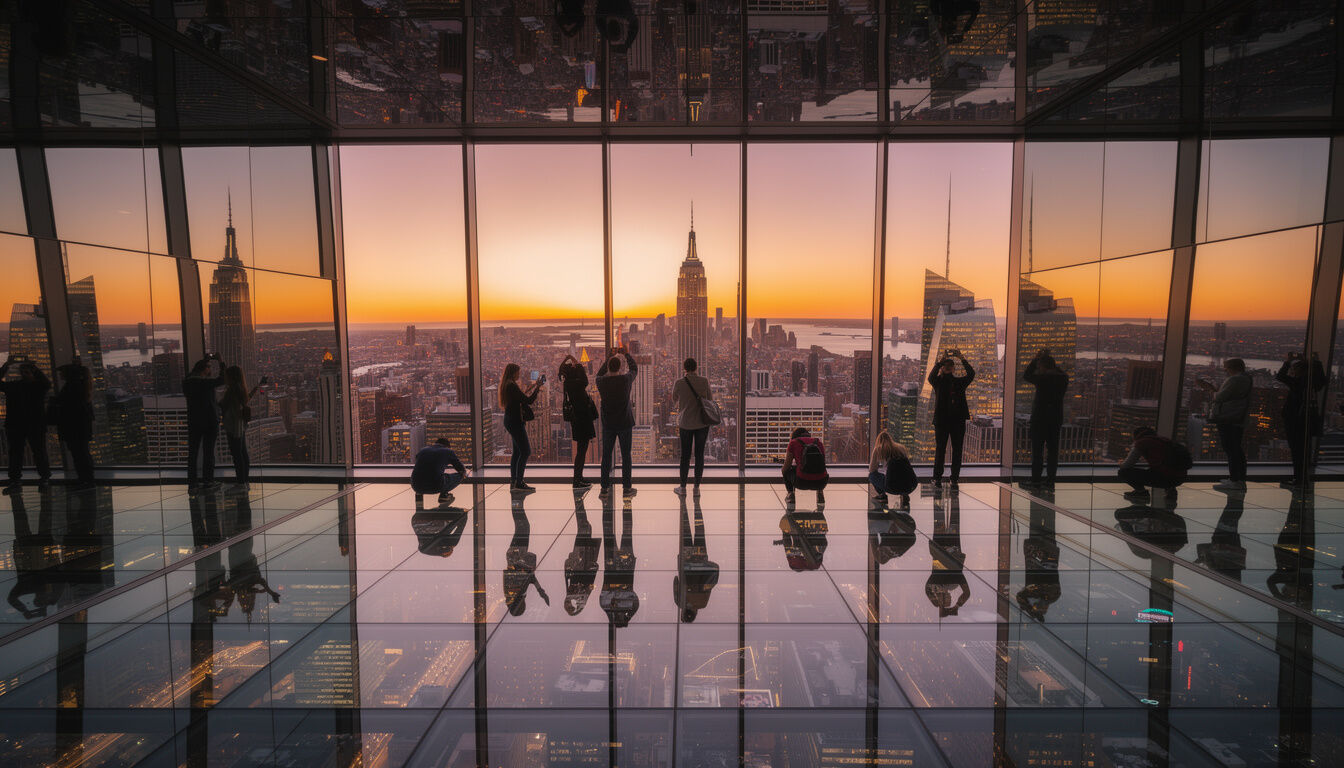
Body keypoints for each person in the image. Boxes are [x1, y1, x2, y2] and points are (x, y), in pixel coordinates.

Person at [1197, 358, 1252, 492]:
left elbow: (1220, 397)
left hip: (1228, 417)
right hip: (1238, 417)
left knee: (1230, 448)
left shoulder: (1234, 380)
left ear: (1232, 367)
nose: (1225, 370)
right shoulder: (1247, 378)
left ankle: (1234, 480)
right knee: (1236, 449)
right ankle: (1239, 479)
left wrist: (1210, 390)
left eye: (1226, 368)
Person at [1275, 351, 1327, 487]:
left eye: (1294, 369)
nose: (1292, 372)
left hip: (1295, 420)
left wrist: (1288, 362)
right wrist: (1316, 362)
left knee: (1297, 452)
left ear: (1300, 371)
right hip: (1308, 420)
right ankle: (1303, 479)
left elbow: (1280, 376)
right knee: (1305, 451)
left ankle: (1299, 480)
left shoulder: (1299, 383)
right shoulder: (1314, 384)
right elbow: (1322, 379)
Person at [0, 357, 51, 493]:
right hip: (33, 424)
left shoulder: (14, 386)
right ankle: (44, 478)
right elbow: (47, 383)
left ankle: (16, 481)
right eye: (24, 372)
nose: (24, 374)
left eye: (27, 372)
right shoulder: (38, 387)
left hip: (16, 425)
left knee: (19, 453)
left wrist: (6, 366)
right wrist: (34, 369)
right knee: (37, 452)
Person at [1022, 348, 1069, 487]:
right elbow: (1061, 372)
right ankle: (1050, 481)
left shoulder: (1043, 379)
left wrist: (1036, 358)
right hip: (1055, 420)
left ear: (1043, 366)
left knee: (1037, 452)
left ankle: (1035, 480)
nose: (1038, 369)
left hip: (1040, 419)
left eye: (1040, 366)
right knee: (1052, 453)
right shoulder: (1063, 378)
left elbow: (1027, 375)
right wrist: (1052, 365)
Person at [928, 349, 974, 488]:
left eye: (948, 365)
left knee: (941, 449)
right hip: (957, 421)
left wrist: (941, 362)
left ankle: (937, 479)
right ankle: (954, 479)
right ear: (953, 368)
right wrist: (961, 358)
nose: (947, 368)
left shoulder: (938, 382)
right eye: (946, 365)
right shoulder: (958, 382)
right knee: (956, 449)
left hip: (943, 421)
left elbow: (931, 377)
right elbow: (971, 374)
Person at [596, 347, 638, 498]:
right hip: (625, 423)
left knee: (606, 456)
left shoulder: (601, 382)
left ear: (608, 367)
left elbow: (599, 374)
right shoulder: (625, 380)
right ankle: (627, 488)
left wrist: (609, 357)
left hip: (608, 424)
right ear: (620, 367)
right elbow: (634, 368)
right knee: (626, 456)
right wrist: (626, 353)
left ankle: (604, 489)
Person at [673, 495, 719, 623]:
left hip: (701, 558)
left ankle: (697, 501)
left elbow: (708, 585)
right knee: (686, 528)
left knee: (699, 530)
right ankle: (682, 500)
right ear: (683, 613)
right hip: (686, 561)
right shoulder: (680, 602)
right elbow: (676, 581)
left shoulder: (702, 603)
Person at [183, 355, 226, 490]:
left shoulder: (186, 382)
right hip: (209, 421)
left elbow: (192, 374)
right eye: (209, 367)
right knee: (208, 452)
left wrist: (204, 360)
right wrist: (220, 362)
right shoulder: (204, 382)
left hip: (193, 421)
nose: (210, 370)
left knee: (193, 453)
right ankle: (208, 481)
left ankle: (192, 482)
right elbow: (222, 379)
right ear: (204, 369)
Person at [500, 363, 544, 492]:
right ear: (514, 372)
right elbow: (528, 400)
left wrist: (535, 385)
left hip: (510, 420)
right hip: (515, 422)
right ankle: (519, 482)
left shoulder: (507, 384)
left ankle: (514, 481)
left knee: (517, 452)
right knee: (525, 451)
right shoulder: (512, 386)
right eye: (518, 372)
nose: (519, 374)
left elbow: (521, 396)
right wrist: (538, 388)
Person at [672, 357, 712, 496]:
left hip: (686, 423)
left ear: (685, 368)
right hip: (702, 423)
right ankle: (696, 488)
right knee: (699, 455)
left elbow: (674, 398)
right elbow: (710, 400)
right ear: (696, 368)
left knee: (685, 456)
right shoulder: (704, 381)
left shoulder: (679, 382)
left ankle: (682, 488)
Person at [219, 367, 266, 486]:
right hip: (240, 425)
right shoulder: (241, 389)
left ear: (231, 377)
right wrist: (256, 388)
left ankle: (241, 481)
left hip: (233, 426)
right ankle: (244, 479)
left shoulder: (232, 391)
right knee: (243, 453)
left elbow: (225, 406)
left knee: (237, 455)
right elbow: (246, 400)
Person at [1117, 427, 1190, 503]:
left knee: (1123, 473)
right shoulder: (1165, 441)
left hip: (1165, 478)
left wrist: (1121, 465)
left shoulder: (1142, 442)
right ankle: (1170, 489)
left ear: (1136, 436)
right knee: (1163, 468)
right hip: (1180, 478)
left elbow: (1126, 465)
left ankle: (1141, 492)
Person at [51, 361, 94, 488]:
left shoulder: (72, 387)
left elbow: (68, 405)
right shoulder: (80, 386)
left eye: (62, 373)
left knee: (79, 454)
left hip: (74, 426)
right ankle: (86, 479)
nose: (60, 375)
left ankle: (85, 480)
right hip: (80, 426)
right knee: (82, 453)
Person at [504, 500, 549, 616]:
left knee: (522, 526)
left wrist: (528, 569)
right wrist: (540, 591)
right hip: (516, 553)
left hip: (517, 553)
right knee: (522, 526)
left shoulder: (513, 593)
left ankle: (516, 501)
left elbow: (518, 573)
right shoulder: (516, 594)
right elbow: (530, 579)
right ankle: (518, 502)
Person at [559, 355, 597, 489]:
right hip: (583, 419)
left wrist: (566, 362)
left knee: (581, 450)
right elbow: (585, 379)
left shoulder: (567, 383)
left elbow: (561, 371)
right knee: (582, 450)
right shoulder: (579, 383)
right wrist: (576, 362)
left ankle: (579, 477)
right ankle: (577, 480)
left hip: (576, 419)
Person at [564, 493, 601, 616]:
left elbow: (594, 568)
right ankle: (578, 500)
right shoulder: (572, 590)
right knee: (585, 526)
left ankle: (578, 499)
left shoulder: (581, 591)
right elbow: (567, 566)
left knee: (584, 527)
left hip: (584, 553)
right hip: (582, 553)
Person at [410, 438, 469, 506]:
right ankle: (444, 495)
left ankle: (419, 496)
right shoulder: (448, 451)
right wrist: (464, 472)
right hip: (436, 485)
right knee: (459, 476)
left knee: (424, 474)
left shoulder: (423, 450)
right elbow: (461, 469)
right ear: (447, 446)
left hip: (416, 485)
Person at [868, 432, 917, 508]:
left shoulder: (878, 449)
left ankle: (883, 495)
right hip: (910, 485)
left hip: (891, 487)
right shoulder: (901, 447)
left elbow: (871, 470)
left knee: (871, 475)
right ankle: (904, 494)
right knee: (899, 476)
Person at [782, 427, 828, 505]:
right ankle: (820, 494)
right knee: (818, 469)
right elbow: (822, 463)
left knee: (786, 470)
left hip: (801, 482)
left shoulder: (793, 443)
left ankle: (790, 495)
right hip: (821, 482)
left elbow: (786, 467)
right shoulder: (818, 442)